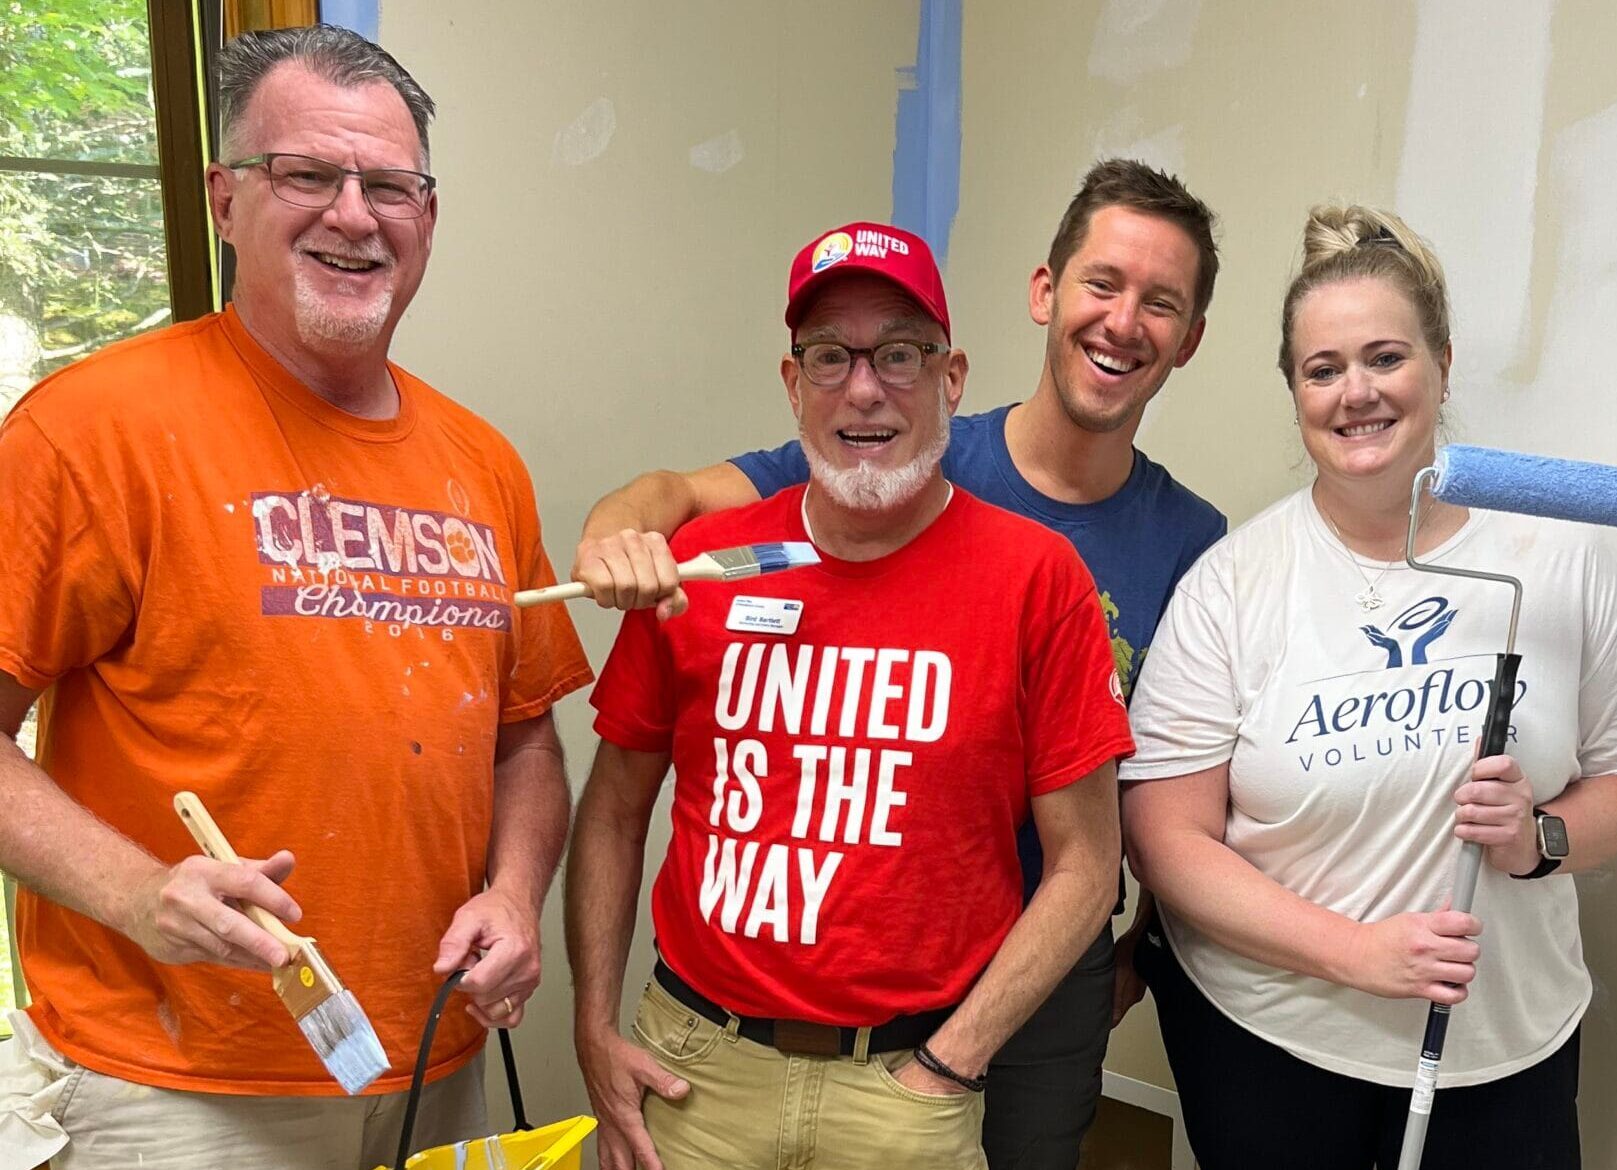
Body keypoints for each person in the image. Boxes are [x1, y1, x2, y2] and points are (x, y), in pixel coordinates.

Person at [0, 26, 589, 1170]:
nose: (354, 215)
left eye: (389, 186)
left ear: (429, 215)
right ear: (225, 200)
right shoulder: (88, 431)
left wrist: (516, 899)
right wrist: (136, 892)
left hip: (429, 1062)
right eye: (307, 175)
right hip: (173, 1087)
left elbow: (525, 738)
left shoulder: (483, 463)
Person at [568, 160, 1225, 1169]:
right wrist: (613, 532)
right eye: (831, 356)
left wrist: (949, 1066)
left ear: (947, 376)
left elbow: (1130, 829)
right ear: (794, 381)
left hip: (957, 1029)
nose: (866, 389)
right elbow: (615, 794)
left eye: (903, 356)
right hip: (699, 1058)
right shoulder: (731, 559)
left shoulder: (1099, 561)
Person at [1118, 203, 1617, 1168]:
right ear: (1295, 390)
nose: (1356, 394)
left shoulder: (1553, 557)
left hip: (1505, 1046)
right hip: (1273, 1038)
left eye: (1385, 358)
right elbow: (1166, 839)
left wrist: (1537, 840)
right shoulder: (1235, 581)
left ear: (1443, 365)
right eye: (1323, 369)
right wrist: (1359, 953)